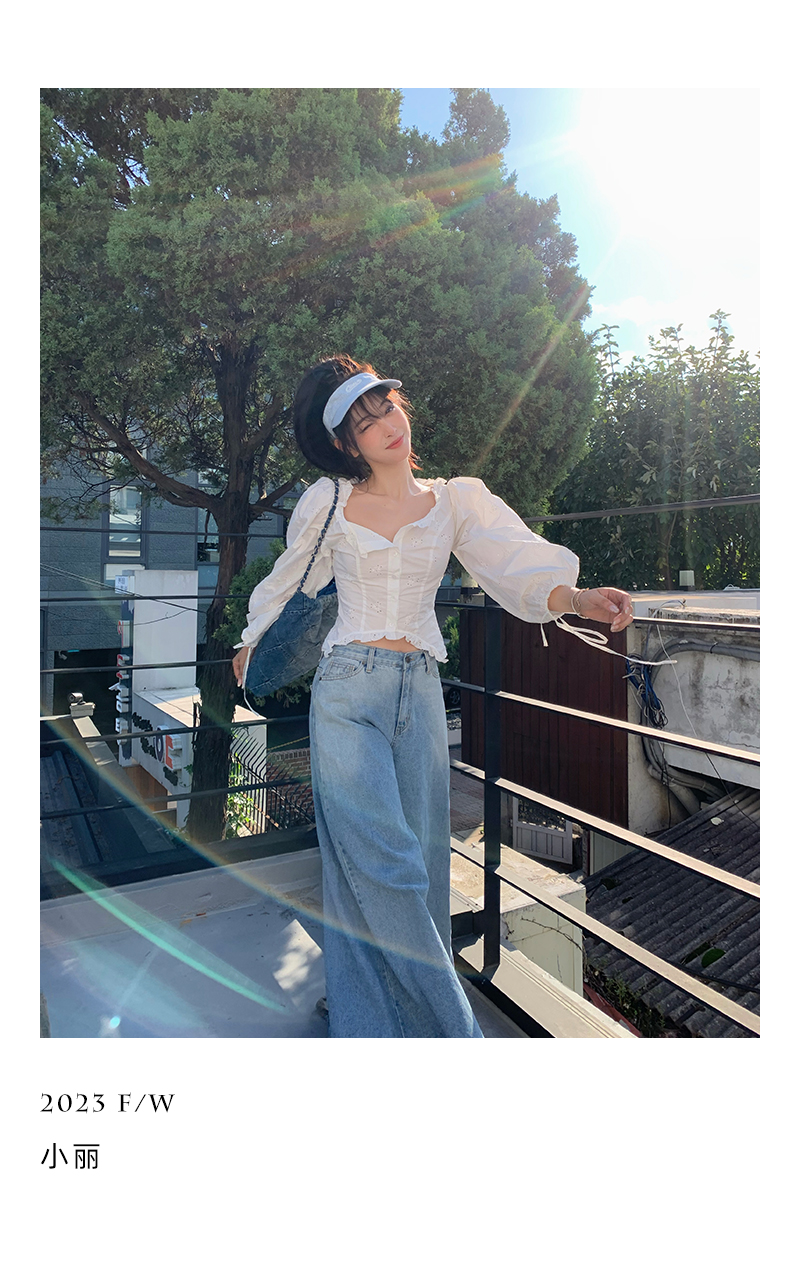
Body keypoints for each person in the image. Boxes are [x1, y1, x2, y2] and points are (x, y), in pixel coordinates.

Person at [232, 354, 634, 1038]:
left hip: (419, 693)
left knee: (420, 861)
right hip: (346, 691)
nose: (386, 425)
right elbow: (288, 579)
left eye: (387, 407)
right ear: (347, 444)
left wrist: (577, 598)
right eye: (365, 422)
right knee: (381, 864)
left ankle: (371, 1022)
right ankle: (453, 1034)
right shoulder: (328, 502)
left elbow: (513, 563)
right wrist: (252, 640)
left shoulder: (455, 501)